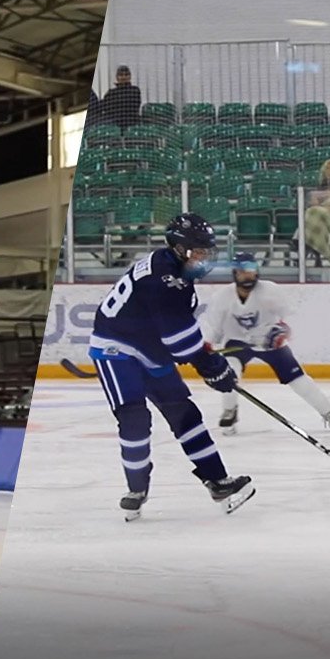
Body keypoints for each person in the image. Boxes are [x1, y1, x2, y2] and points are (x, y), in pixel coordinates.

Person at [88, 213, 253, 521]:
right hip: (115, 348)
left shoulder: (178, 273)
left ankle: (217, 480)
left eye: (208, 251)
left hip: (150, 349)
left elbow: (179, 335)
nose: (205, 258)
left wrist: (206, 361)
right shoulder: (164, 279)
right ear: (179, 248)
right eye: (199, 251)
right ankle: (136, 489)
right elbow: (179, 340)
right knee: (134, 416)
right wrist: (212, 366)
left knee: (184, 412)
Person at [202, 252, 330, 434]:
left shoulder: (269, 290)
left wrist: (283, 331)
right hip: (236, 344)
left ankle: (328, 412)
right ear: (235, 273)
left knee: (297, 378)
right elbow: (215, 329)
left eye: (252, 270)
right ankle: (230, 410)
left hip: (268, 342)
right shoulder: (222, 297)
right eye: (242, 271)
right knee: (230, 374)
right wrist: (207, 345)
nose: (248, 275)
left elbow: (292, 316)